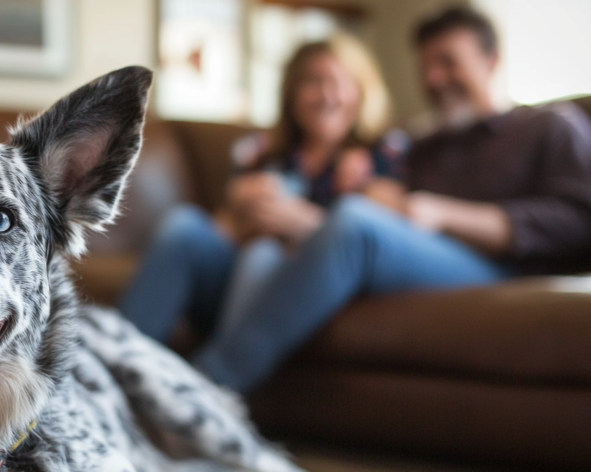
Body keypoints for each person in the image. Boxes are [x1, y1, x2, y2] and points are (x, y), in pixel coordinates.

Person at [132, 6, 591, 395]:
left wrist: (440, 212)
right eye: (427, 67)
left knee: (355, 223)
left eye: (449, 63)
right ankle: (103, 381)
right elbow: (387, 204)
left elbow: (578, 220)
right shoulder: (421, 144)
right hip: (403, 252)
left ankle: (207, 390)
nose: (433, 79)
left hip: (494, 264)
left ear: (492, 61)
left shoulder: (549, 126)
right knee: (193, 229)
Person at [121, 33, 403, 347]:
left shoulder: (383, 153)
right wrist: (241, 213)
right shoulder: (263, 153)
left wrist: (305, 225)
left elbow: (385, 240)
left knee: (263, 256)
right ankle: (121, 360)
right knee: (183, 224)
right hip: (235, 273)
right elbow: (224, 228)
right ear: (292, 91)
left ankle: (220, 372)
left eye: (341, 81)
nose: (327, 95)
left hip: (308, 288)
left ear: (363, 90)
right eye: (313, 81)